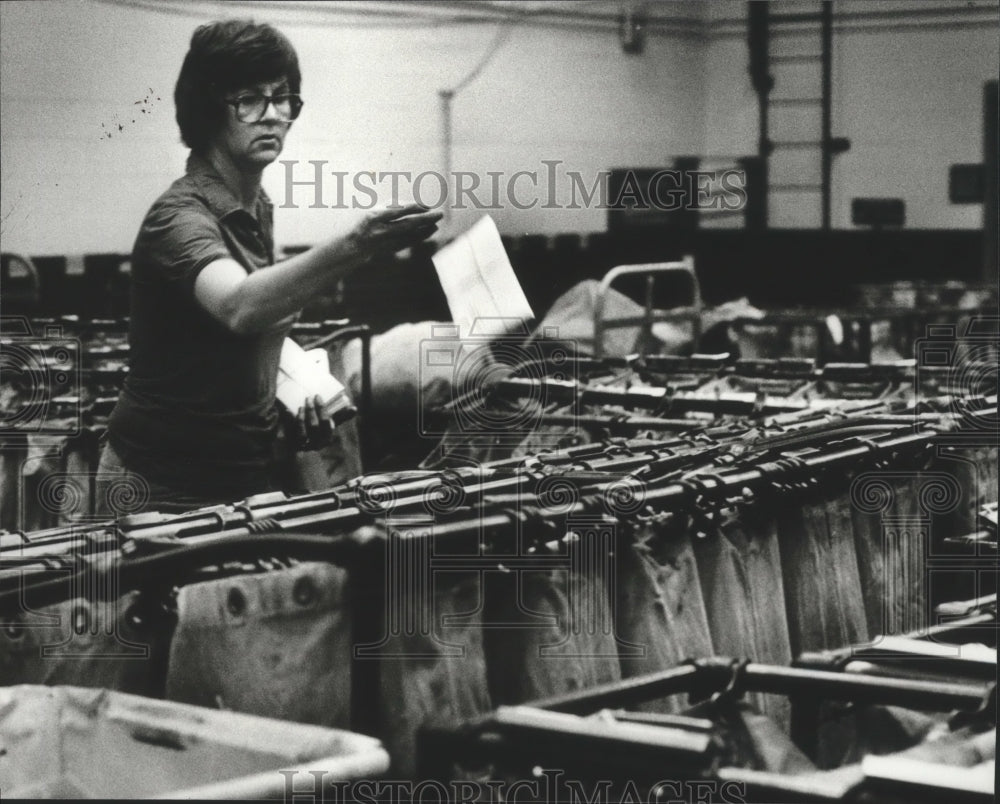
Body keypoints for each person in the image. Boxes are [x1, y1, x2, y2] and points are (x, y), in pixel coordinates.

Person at [98, 19, 441, 514]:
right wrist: (359, 242)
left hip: (239, 474)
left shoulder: (258, 208)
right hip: (159, 485)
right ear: (208, 108)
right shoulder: (177, 218)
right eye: (250, 100)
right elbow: (241, 306)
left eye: (283, 98)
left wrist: (282, 410)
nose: (273, 115)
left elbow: (247, 340)